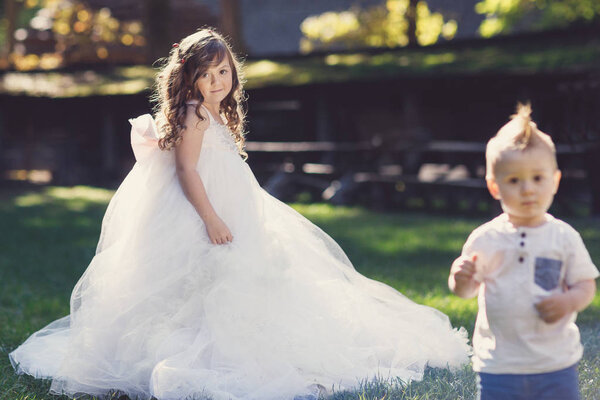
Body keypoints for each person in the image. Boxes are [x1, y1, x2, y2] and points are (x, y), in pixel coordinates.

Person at [10, 28, 469, 400]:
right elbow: (188, 170)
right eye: (206, 74)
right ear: (187, 79)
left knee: (247, 278)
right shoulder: (193, 114)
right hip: (201, 211)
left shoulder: (211, 113)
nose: (217, 81)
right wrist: (210, 217)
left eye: (223, 71)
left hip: (231, 206)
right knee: (203, 281)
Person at [448, 103, 598, 400]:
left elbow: (586, 285)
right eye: (514, 180)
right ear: (494, 187)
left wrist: (568, 300)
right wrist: (460, 278)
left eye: (537, 178)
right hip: (498, 365)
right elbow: (464, 292)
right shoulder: (486, 238)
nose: (527, 189)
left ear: (554, 181)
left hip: (555, 364)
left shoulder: (564, 237)